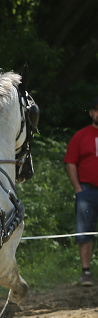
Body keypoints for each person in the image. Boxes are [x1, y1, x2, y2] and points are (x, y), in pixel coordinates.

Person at [65, 96, 98, 286]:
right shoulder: (81, 136)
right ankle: (86, 272)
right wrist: (78, 189)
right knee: (85, 232)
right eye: (96, 109)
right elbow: (71, 163)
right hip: (87, 191)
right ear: (92, 113)